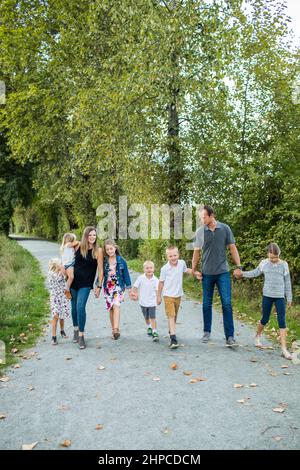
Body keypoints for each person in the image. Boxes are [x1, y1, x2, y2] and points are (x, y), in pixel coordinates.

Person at [192, 205, 242, 347]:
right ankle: (207, 331)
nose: (202, 220)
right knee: (206, 303)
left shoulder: (225, 229)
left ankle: (230, 337)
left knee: (226, 303)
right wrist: (194, 270)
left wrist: (239, 266)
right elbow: (196, 253)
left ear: (212, 215)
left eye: (204, 217)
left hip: (222, 272)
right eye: (201, 217)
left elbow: (233, 248)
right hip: (206, 273)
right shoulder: (200, 232)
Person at [234, 242, 293, 360]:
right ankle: (257, 336)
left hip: (280, 296)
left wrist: (289, 297)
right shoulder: (264, 263)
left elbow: (287, 282)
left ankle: (284, 349)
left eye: (276, 257)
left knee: (282, 321)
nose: (274, 259)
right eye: (271, 257)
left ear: (279, 255)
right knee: (265, 318)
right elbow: (255, 273)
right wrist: (242, 274)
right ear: (268, 254)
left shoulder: (284, 265)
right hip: (267, 295)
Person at [70, 226, 103, 349]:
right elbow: (66, 244)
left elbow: (100, 270)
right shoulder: (78, 246)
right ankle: (75, 330)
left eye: (94, 235)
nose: (92, 237)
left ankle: (81, 336)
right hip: (73, 281)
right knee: (73, 307)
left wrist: (99, 285)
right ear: (85, 236)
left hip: (86, 284)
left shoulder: (98, 251)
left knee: (80, 306)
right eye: (90, 235)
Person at [157, 246, 196, 349]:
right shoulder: (164, 269)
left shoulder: (182, 263)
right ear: (167, 257)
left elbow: (186, 270)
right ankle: (173, 339)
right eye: (170, 256)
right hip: (168, 295)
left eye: (175, 255)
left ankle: (171, 330)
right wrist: (158, 297)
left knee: (175, 316)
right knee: (171, 315)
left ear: (178, 255)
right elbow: (161, 283)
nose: (173, 258)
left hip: (178, 295)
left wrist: (195, 272)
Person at [102, 239, 133, 340]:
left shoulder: (121, 260)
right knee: (110, 308)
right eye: (107, 250)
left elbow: (126, 275)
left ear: (115, 248)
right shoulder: (104, 261)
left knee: (116, 305)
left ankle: (116, 329)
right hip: (107, 288)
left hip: (118, 287)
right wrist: (97, 285)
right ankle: (113, 329)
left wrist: (129, 288)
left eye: (111, 249)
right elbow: (100, 274)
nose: (110, 251)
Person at [132, 260, 159, 341]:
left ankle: (154, 331)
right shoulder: (141, 278)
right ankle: (149, 326)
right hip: (143, 302)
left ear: (153, 269)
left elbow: (158, 290)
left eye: (151, 268)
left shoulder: (155, 279)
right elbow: (135, 286)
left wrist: (158, 298)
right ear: (144, 269)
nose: (149, 269)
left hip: (152, 302)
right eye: (147, 268)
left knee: (152, 317)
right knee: (146, 317)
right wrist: (135, 294)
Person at [47, 258, 70, 345]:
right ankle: (53, 337)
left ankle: (62, 330)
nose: (62, 264)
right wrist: (62, 271)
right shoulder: (51, 273)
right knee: (55, 315)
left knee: (62, 315)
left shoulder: (62, 272)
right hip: (54, 297)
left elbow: (68, 278)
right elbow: (57, 280)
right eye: (60, 263)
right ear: (56, 265)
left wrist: (63, 272)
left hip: (62, 296)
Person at [60, 233, 79, 299]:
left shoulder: (64, 247)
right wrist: (78, 242)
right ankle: (66, 289)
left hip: (65, 264)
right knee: (71, 277)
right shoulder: (68, 245)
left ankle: (67, 288)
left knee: (68, 278)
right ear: (70, 240)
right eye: (73, 239)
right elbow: (76, 242)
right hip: (69, 264)